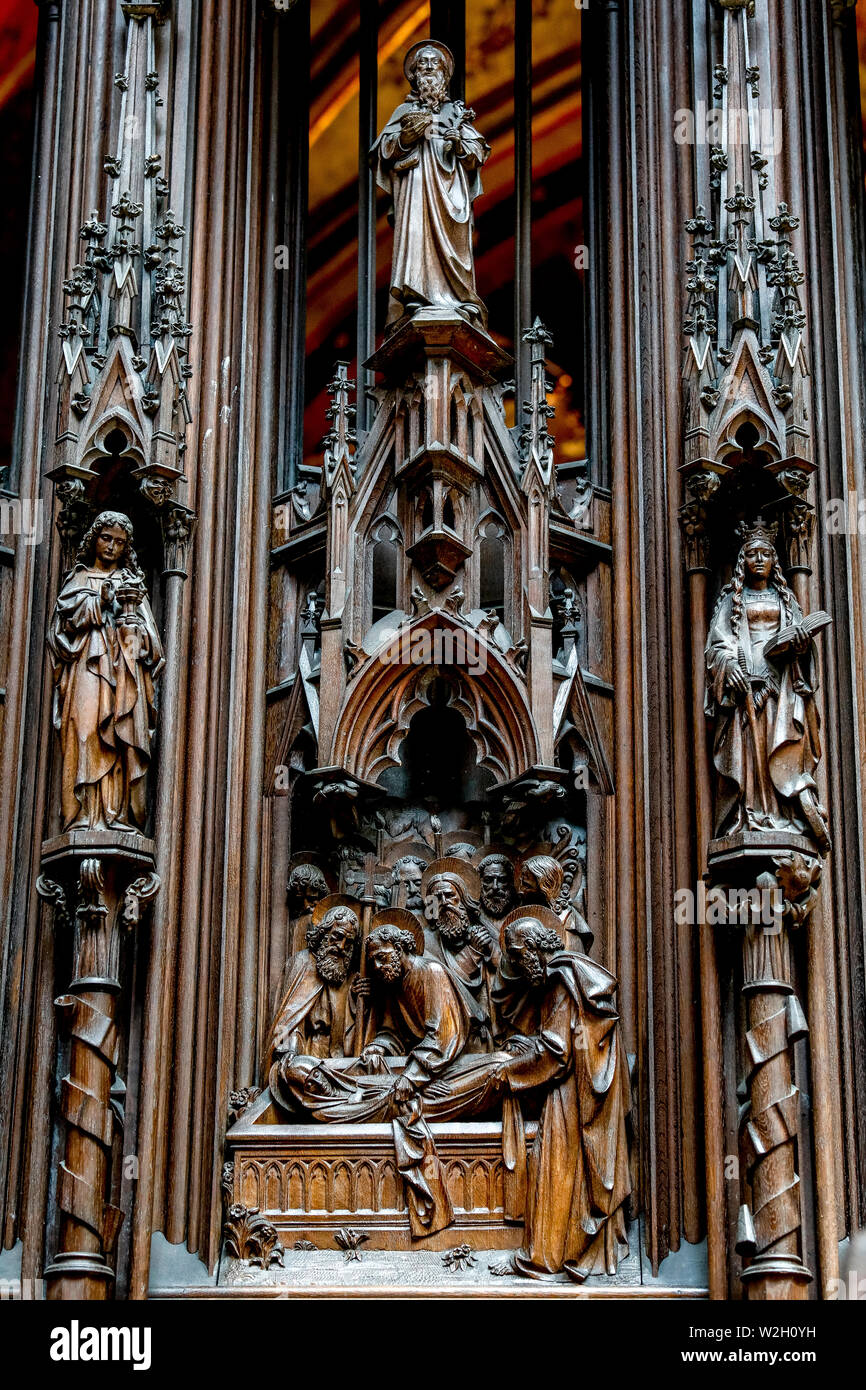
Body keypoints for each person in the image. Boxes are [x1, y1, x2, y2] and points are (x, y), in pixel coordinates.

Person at [490, 915, 632, 1282]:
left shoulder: (560, 979)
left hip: (574, 1093)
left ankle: (544, 1258)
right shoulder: (574, 973)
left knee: (555, 1165)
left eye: (520, 957)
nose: (520, 967)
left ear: (537, 949)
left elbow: (555, 1053)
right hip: (586, 1085)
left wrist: (508, 1072)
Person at [705, 519, 830, 852]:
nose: (758, 559)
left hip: (780, 687)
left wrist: (801, 647)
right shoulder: (731, 601)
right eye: (751, 554)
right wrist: (729, 666)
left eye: (765, 553)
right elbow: (717, 645)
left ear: (775, 560)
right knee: (750, 752)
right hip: (747, 687)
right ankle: (749, 815)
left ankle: (783, 814)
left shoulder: (786, 599)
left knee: (781, 742)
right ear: (742, 562)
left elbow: (798, 646)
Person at [48, 511, 164, 832]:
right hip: (87, 663)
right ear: (94, 539)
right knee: (85, 731)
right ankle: (84, 815)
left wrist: (132, 627)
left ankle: (116, 815)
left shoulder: (131, 583)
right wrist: (99, 601)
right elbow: (62, 628)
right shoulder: (79, 580)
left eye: (119, 542)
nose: (112, 547)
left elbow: (152, 646)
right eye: (106, 538)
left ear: (127, 548)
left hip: (123, 672)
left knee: (119, 732)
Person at [371, 41, 489, 332]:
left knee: (455, 243)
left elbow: (479, 150)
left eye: (434, 63)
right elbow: (384, 150)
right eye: (421, 64)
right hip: (416, 189)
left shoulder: (455, 112)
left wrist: (459, 143)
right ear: (414, 74)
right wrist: (407, 137)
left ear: (444, 74)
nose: (427, 68)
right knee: (415, 235)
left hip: (451, 191)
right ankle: (417, 292)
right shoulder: (404, 111)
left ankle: (458, 295)